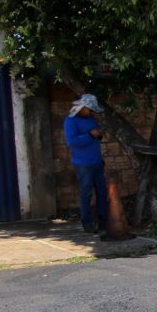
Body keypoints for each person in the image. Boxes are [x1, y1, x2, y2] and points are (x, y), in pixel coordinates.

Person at [63, 94, 108, 234]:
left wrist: (99, 134)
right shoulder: (71, 121)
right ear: (82, 108)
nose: (92, 112)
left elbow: (96, 136)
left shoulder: (91, 119)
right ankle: (87, 223)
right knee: (86, 194)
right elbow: (72, 142)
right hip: (83, 164)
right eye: (90, 109)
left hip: (97, 162)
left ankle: (103, 222)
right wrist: (89, 135)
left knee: (102, 193)